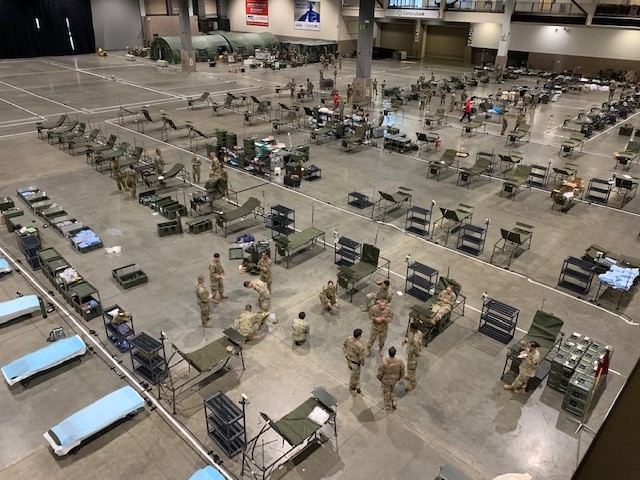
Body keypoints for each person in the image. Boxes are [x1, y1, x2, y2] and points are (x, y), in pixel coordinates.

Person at [342, 328, 365, 394]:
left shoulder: (349, 339)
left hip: (349, 360)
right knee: (355, 375)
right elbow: (361, 357)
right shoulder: (360, 346)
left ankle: (357, 383)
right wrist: (362, 363)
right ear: (359, 336)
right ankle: (352, 386)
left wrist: (346, 355)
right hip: (355, 363)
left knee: (355, 373)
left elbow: (343, 345)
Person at [402, 322, 423, 391]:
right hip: (411, 355)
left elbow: (416, 349)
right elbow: (411, 340)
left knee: (411, 370)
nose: (410, 329)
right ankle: (408, 375)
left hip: (413, 356)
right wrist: (406, 341)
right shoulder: (418, 333)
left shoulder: (415, 340)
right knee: (409, 368)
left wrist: (415, 355)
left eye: (410, 328)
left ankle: (412, 384)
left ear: (413, 329)